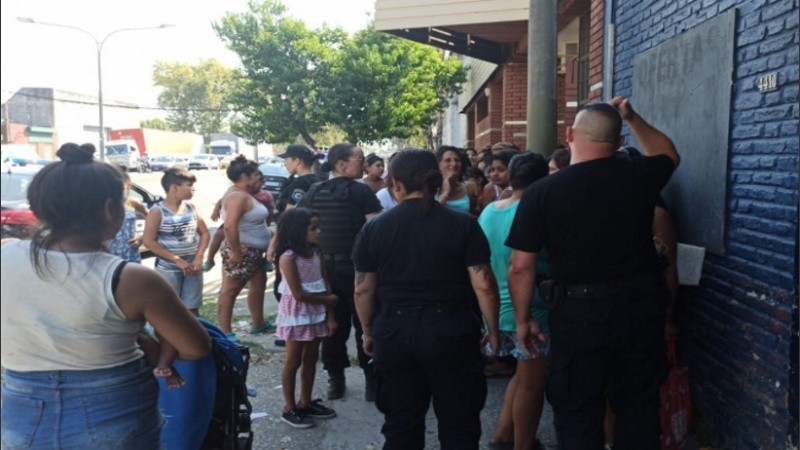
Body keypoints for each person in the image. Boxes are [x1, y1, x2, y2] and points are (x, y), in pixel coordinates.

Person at [0, 143, 211, 449]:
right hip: (113, 411)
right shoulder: (132, 279)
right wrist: (146, 341)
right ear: (110, 209)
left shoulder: (5, 255)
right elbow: (196, 347)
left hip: (21, 410)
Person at [506, 97, 680, 449]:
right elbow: (669, 153)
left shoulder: (542, 192)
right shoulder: (641, 175)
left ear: (570, 134)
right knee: (638, 406)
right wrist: (631, 116)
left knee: (577, 410)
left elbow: (521, 266)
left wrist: (523, 320)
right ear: (618, 143)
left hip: (579, 315)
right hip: (640, 309)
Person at [353, 149, 500, 450]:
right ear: (434, 181)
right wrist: (493, 330)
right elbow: (483, 282)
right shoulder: (463, 224)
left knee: (400, 426)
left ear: (395, 184)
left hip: (395, 332)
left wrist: (368, 331)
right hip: (453, 330)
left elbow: (363, 289)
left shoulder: (374, 228)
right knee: (459, 425)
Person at [297, 142, 382, 401]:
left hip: (326, 271)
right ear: (341, 164)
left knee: (333, 327)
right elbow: (377, 230)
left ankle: (339, 381)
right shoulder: (362, 191)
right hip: (355, 270)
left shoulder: (315, 191)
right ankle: (369, 382)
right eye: (359, 159)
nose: (364, 163)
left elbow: (298, 226)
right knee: (363, 323)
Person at [479, 153, 551, 450]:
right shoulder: (538, 212)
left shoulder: (489, 212)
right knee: (532, 386)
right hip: (531, 312)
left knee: (522, 378)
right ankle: (523, 445)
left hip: (498, 309)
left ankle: (502, 436)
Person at [274, 208, 339, 428]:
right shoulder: (288, 257)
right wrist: (329, 301)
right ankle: (289, 407)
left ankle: (305, 402)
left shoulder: (317, 253)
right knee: (293, 361)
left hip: (317, 313)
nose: (319, 231)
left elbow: (325, 282)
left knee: (311, 359)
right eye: (313, 228)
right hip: (297, 315)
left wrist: (330, 315)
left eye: (318, 226)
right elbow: (299, 294)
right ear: (298, 230)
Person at [215, 156, 273, 342]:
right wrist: (237, 252)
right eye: (255, 175)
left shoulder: (243, 194)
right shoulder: (238, 197)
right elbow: (229, 227)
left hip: (254, 251)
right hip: (243, 251)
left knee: (258, 285)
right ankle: (225, 332)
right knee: (230, 289)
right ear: (244, 177)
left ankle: (259, 323)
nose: (259, 178)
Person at [143, 167, 210, 317]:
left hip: (193, 267)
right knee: (170, 309)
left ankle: (194, 338)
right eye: (189, 185)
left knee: (192, 308)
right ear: (174, 188)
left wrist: (199, 257)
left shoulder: (191, 208)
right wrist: (176, 259)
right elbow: (149, 241)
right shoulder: (157, 211)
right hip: (168, 269)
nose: (193, 189)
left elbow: (204, 233)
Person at [203, 172, 275, 272]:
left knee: (273, 237)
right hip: (236, 222)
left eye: (260, 183)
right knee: (218, 235)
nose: (257, 185)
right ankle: (210, 259)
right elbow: (222, 200)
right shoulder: (241, 193)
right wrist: (216, 210)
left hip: (257, 224)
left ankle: (267, 259)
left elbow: (270, 210)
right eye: (255, 182)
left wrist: (267, 223)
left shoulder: (266, 195)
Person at [105, 170, 148, 263]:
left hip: (130, 255)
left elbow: (154, 220)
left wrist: (142, 237)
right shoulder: (101, 204)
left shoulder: (133, 202)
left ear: (128, 185)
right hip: (107, 256)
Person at [435, 145, 480, 216]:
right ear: (438, 165)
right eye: (448, 160)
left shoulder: (469, 187)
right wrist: (445, 193)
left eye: (457, 160)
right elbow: (428, 216)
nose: (454, 164)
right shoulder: (430, 189)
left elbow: (473, 216)